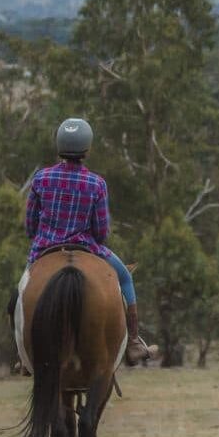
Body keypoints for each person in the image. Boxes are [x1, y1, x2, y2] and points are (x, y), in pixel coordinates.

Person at [25, 118, 155, 366]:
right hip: (88, 247)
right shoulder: (96, 184)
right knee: (126, 278)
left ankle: (23, 354)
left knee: (19, 295)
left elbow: (30, 226)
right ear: (87, 148)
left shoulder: (41, 179)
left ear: (59, 146)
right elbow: (102, 231)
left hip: (44, 250)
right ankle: (135, 342)